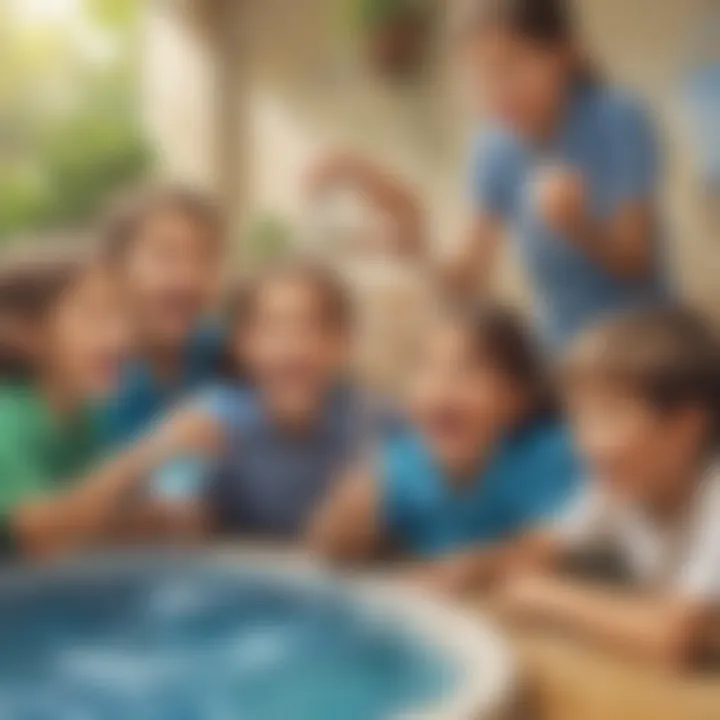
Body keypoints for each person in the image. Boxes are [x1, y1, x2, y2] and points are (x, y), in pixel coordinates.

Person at [309, 0, 669, 349]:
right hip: (561, 350)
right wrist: (415, 243)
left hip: (641, 347)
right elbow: (464, 281)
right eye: (479, 73)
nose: (497, 88)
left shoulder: (614, 117)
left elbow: (637, 262)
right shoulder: (496, 147)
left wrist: (578, 226)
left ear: (564, 53)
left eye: (510, 65)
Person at [500, 308, 720, 667]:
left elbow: (670, 639)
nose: (585, 441)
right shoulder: (618, 488)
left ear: (686, 428)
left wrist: (545, 596)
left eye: (608, 414)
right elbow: (529, 554)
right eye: (579, 417)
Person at [309, 304, 580, 594]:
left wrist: (471, 570)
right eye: (425, 369)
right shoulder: (399, 465)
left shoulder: (550, 454)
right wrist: (340, 528)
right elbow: (332, 553)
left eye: (467, 370)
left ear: (518, 398)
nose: (442, 385)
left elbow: (549, 550)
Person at [145, 260, 400, 539]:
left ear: (341, 343)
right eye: (271, 329)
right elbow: (174, 524)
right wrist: (183, 495)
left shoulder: (377, 426)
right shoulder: (210, 422)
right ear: (241, 344)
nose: (291, 348)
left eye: (310, 329)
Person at [0, 248, 198, 561]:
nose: (119, 336)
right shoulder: (7, 422)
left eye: (123, 318)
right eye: (95, 317)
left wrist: (151, 522)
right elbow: (39, 537)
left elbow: (84, 525)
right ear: (27, 334)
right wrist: (152, 450)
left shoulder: (90, 417)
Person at [102, 186, 226, 446]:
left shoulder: (230, 355)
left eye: (205, 258)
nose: (187, 277)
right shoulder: (87, 375)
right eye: (166, 256)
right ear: (114, 267)